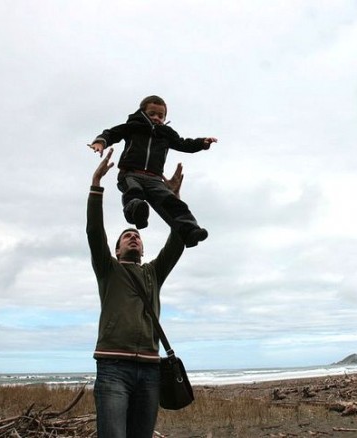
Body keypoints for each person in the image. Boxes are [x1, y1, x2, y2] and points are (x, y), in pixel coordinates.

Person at [87, 148, 186, 438]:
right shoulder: (108, 269)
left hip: (151, 369)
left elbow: (178, 240)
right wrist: (96, 184)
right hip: (112, 368)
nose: (133, 237)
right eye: (127, 237)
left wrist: (173, 198)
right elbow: (94, 232)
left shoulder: (153, 272)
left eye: (137, 237)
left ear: (142, 249)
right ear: (117, 250)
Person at [89, 95, 217, 248]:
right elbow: (112, 133)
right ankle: (136, 212)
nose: (156, 118)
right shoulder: (133, 126)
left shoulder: (166, 133)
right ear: (142, 113)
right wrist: (100, 142)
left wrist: (201, 143)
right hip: (131, 172)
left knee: (172, 202)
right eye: (152, 114)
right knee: (134, 192)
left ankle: (190, 231)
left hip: (155, 178)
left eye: (161, 116)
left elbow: (183, 144)